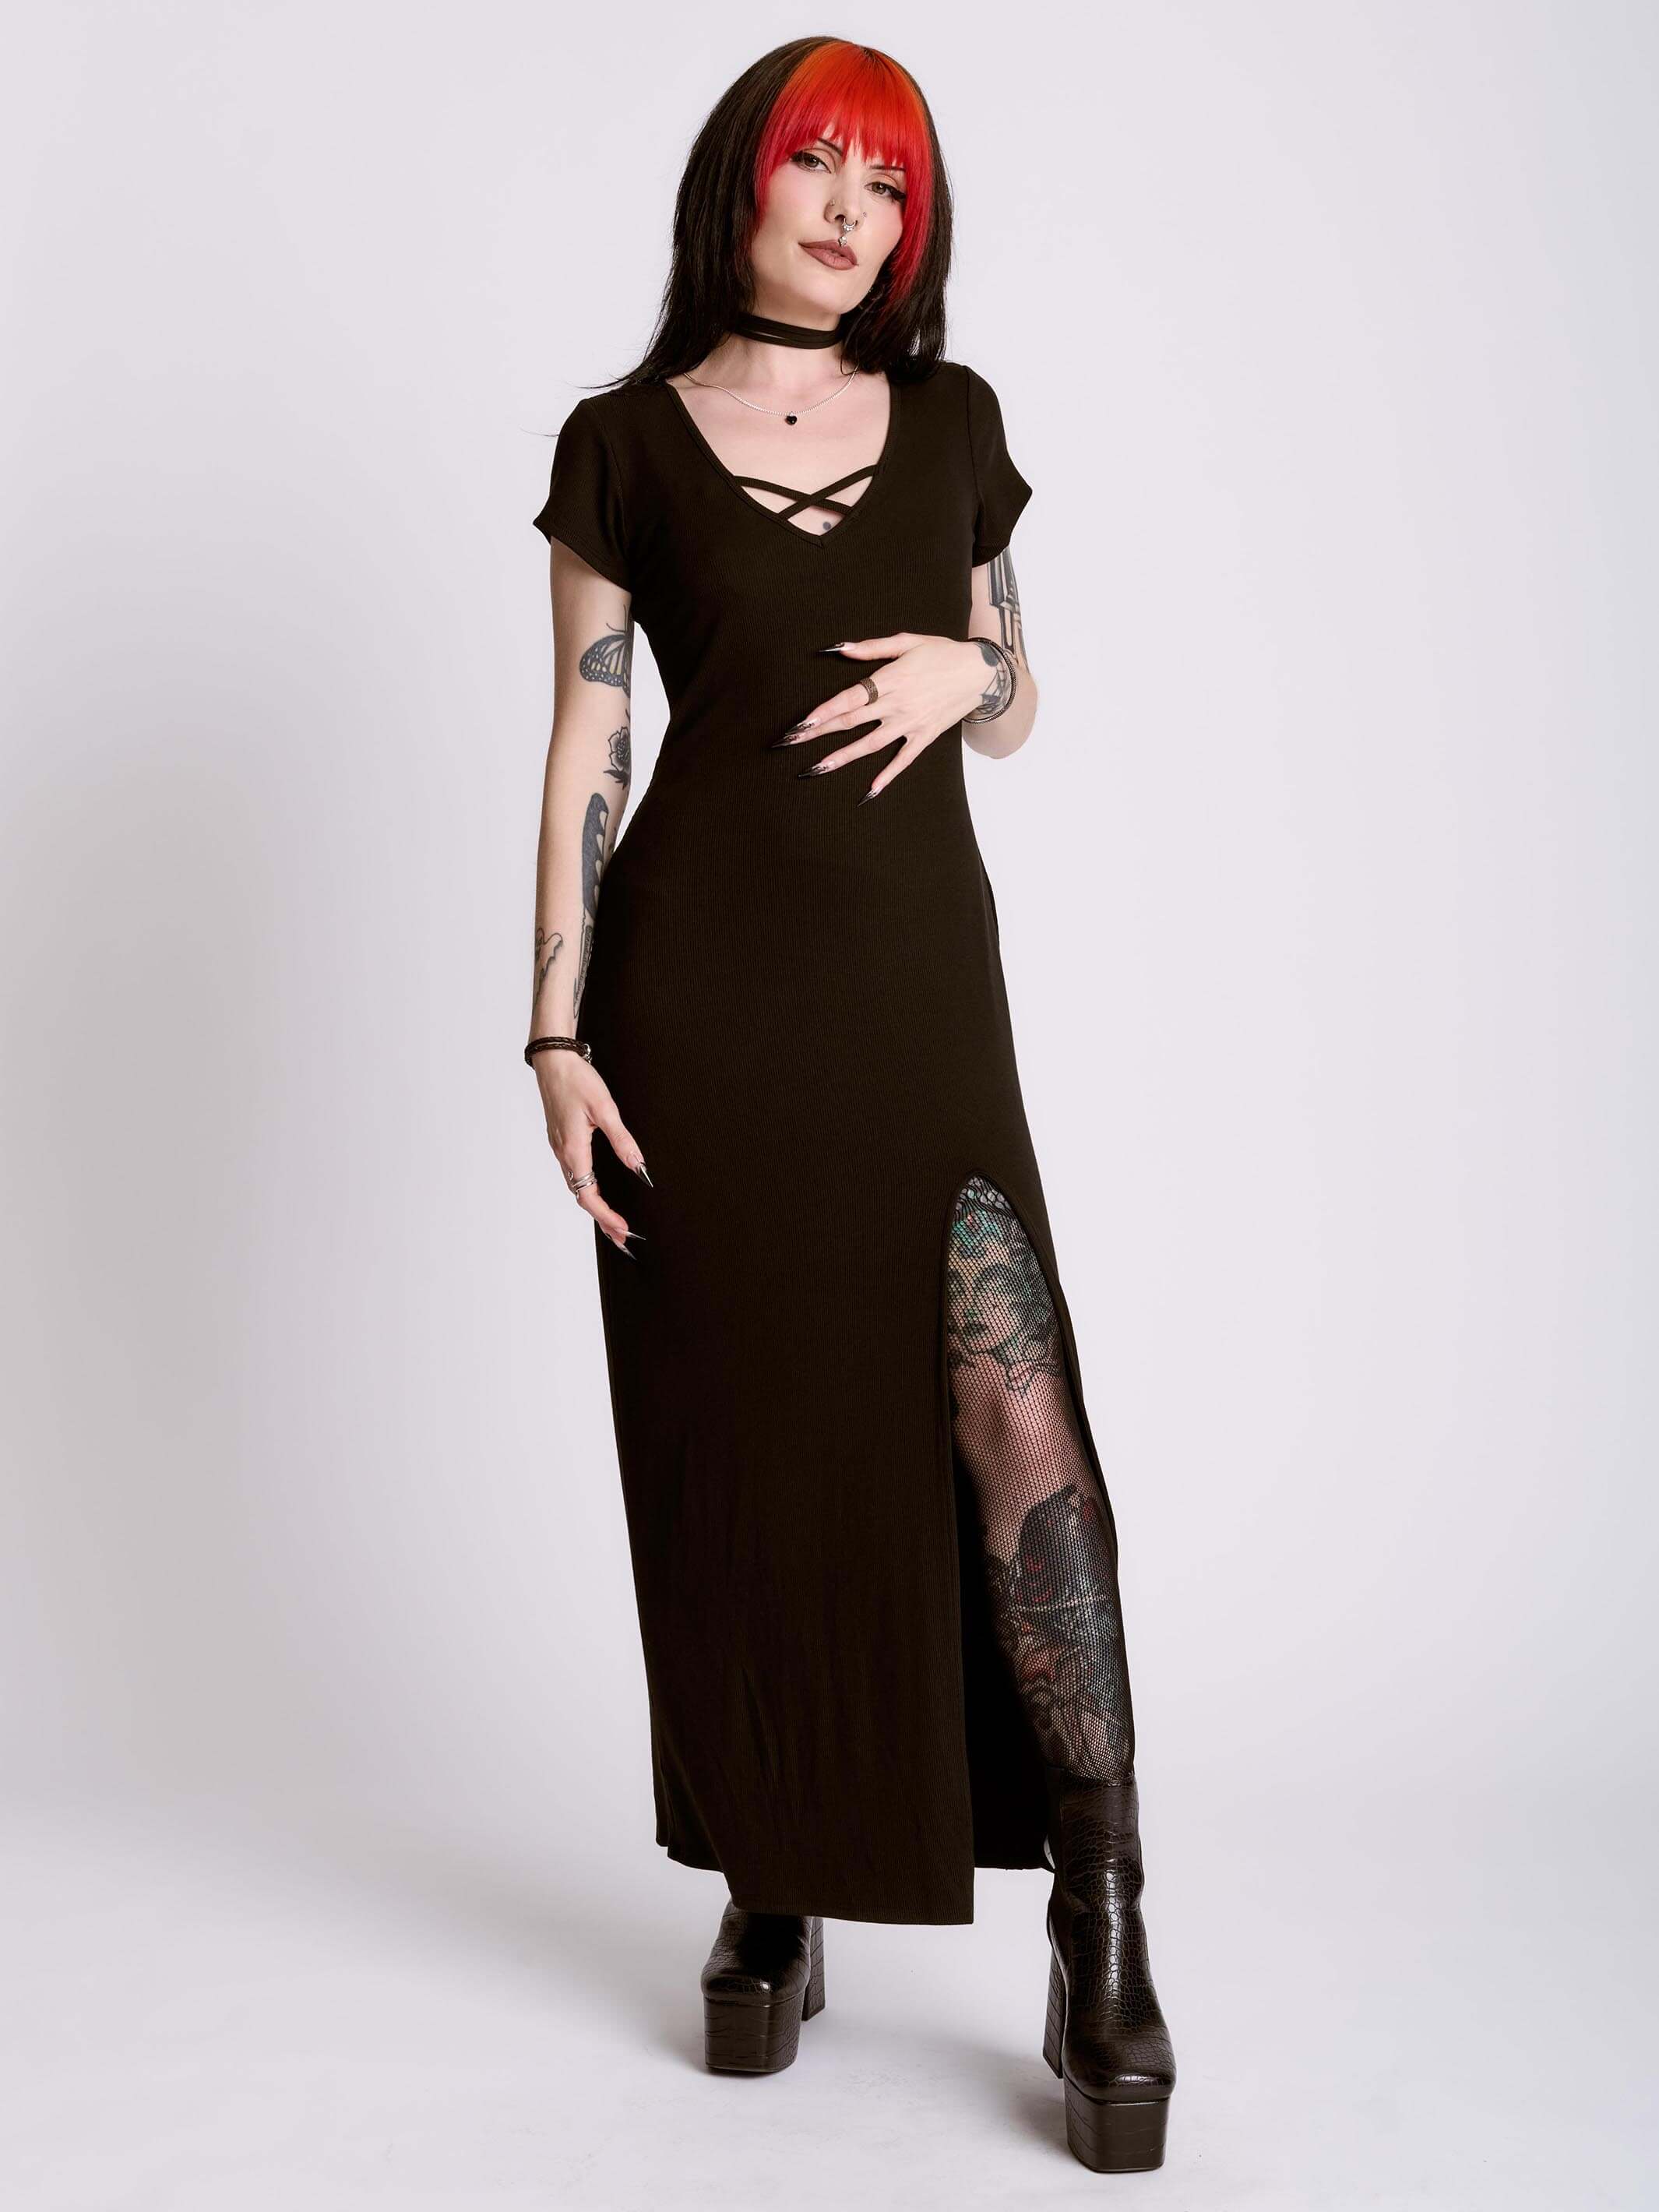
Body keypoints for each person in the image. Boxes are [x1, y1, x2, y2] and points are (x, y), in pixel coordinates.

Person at [526, 37, 1175, 2174]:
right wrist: (554, 1037)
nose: (849, 214)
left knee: (1013, 1414)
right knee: (749, 1430)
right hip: (696, 1002)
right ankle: (772, 1882)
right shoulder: (623, 444)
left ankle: (1099, 1916)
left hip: (910, 997)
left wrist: (974, 672)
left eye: (887, 187)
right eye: (817, 166)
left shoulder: (954, 423)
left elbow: (1020, 695)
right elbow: (586, 745)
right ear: (740, 179)